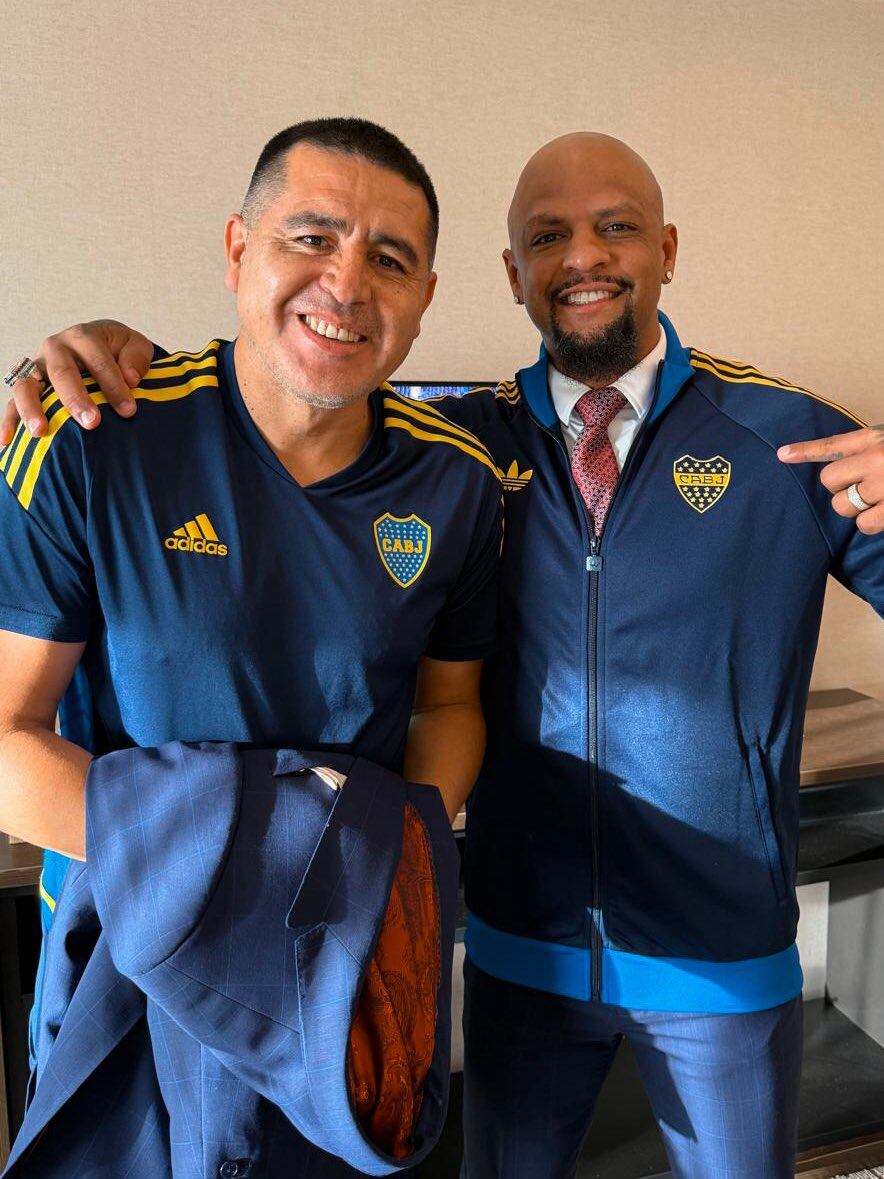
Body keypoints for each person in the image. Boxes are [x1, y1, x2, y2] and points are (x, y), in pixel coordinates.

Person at [6, 131, 884, 1178]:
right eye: (546, 236)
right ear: (510, 273)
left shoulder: (782, 437)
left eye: (616, 226)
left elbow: (446, 704)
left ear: (666, 248)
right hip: (493, 949)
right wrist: (82, 351)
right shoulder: (463, 442)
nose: (583, 257)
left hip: (707, 958)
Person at [0, 117, 502, 1173]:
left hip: (342, 967)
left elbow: (449, 705)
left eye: (389, 259)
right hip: (133, 956)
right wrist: (243, 859)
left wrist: (395, 852)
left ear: (424, 297)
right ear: (237, 249)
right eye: (310, 238)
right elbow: (5, 740)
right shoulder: (92, 440)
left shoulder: (456, 482)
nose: (346, 284)